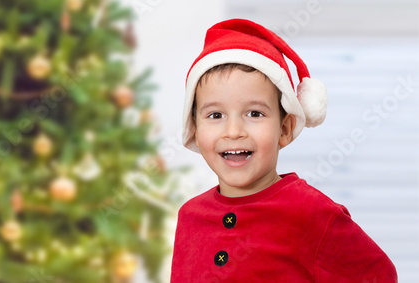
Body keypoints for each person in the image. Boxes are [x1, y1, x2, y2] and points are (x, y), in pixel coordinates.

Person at [170, 18, 397, 282]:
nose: (233, 131)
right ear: (195, 130)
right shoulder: (190, 217)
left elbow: (379, 274)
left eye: (254, 113)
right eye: (215, 115)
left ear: (285, 129)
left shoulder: (312, 213)